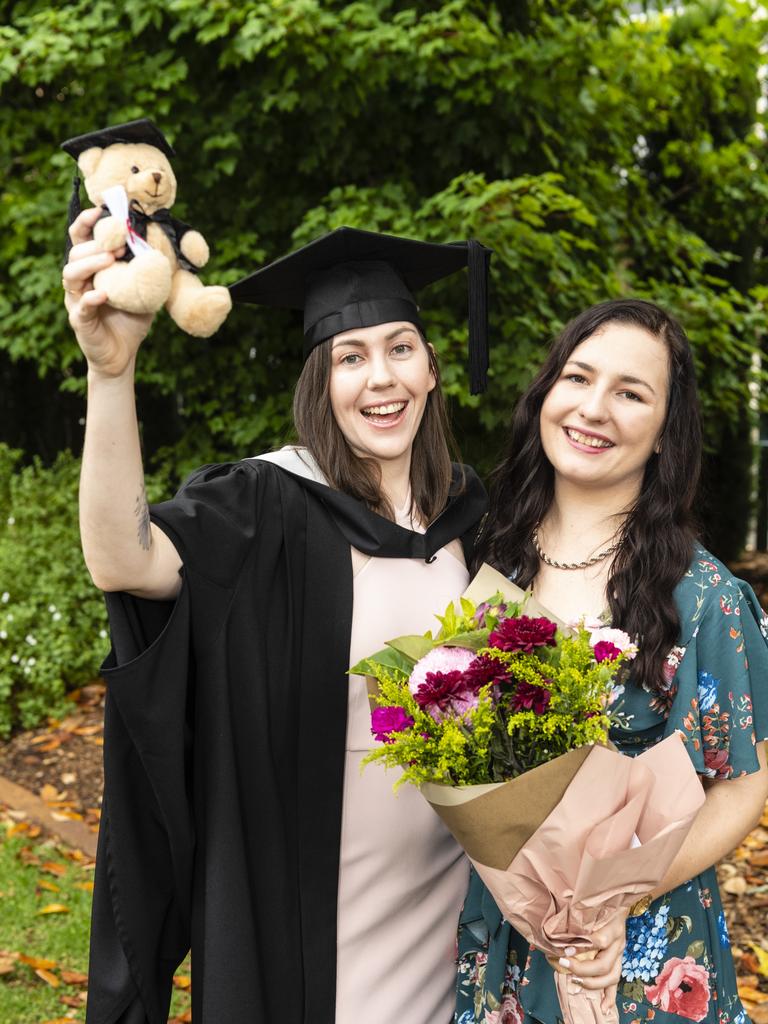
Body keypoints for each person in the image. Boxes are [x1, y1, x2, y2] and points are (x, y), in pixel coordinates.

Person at [63, 194, 491, 1023]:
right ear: (320, 382)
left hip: (454, 916)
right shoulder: (267, 505)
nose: (382, 378)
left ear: (432, 368)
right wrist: (111, 378)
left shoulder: (471, 514)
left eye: (401, 348)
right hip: (312, 925)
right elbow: (121, 557)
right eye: (350, 357)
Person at [455, 298, 768, 1024]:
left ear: (664, 433)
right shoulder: (485, 564)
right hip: (505, 933)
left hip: (641, 950)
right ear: (546, 394)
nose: (594, 408)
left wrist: (613, 898)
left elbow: (743, 789)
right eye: (578, 378)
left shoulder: (703, 596)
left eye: (631, 393)